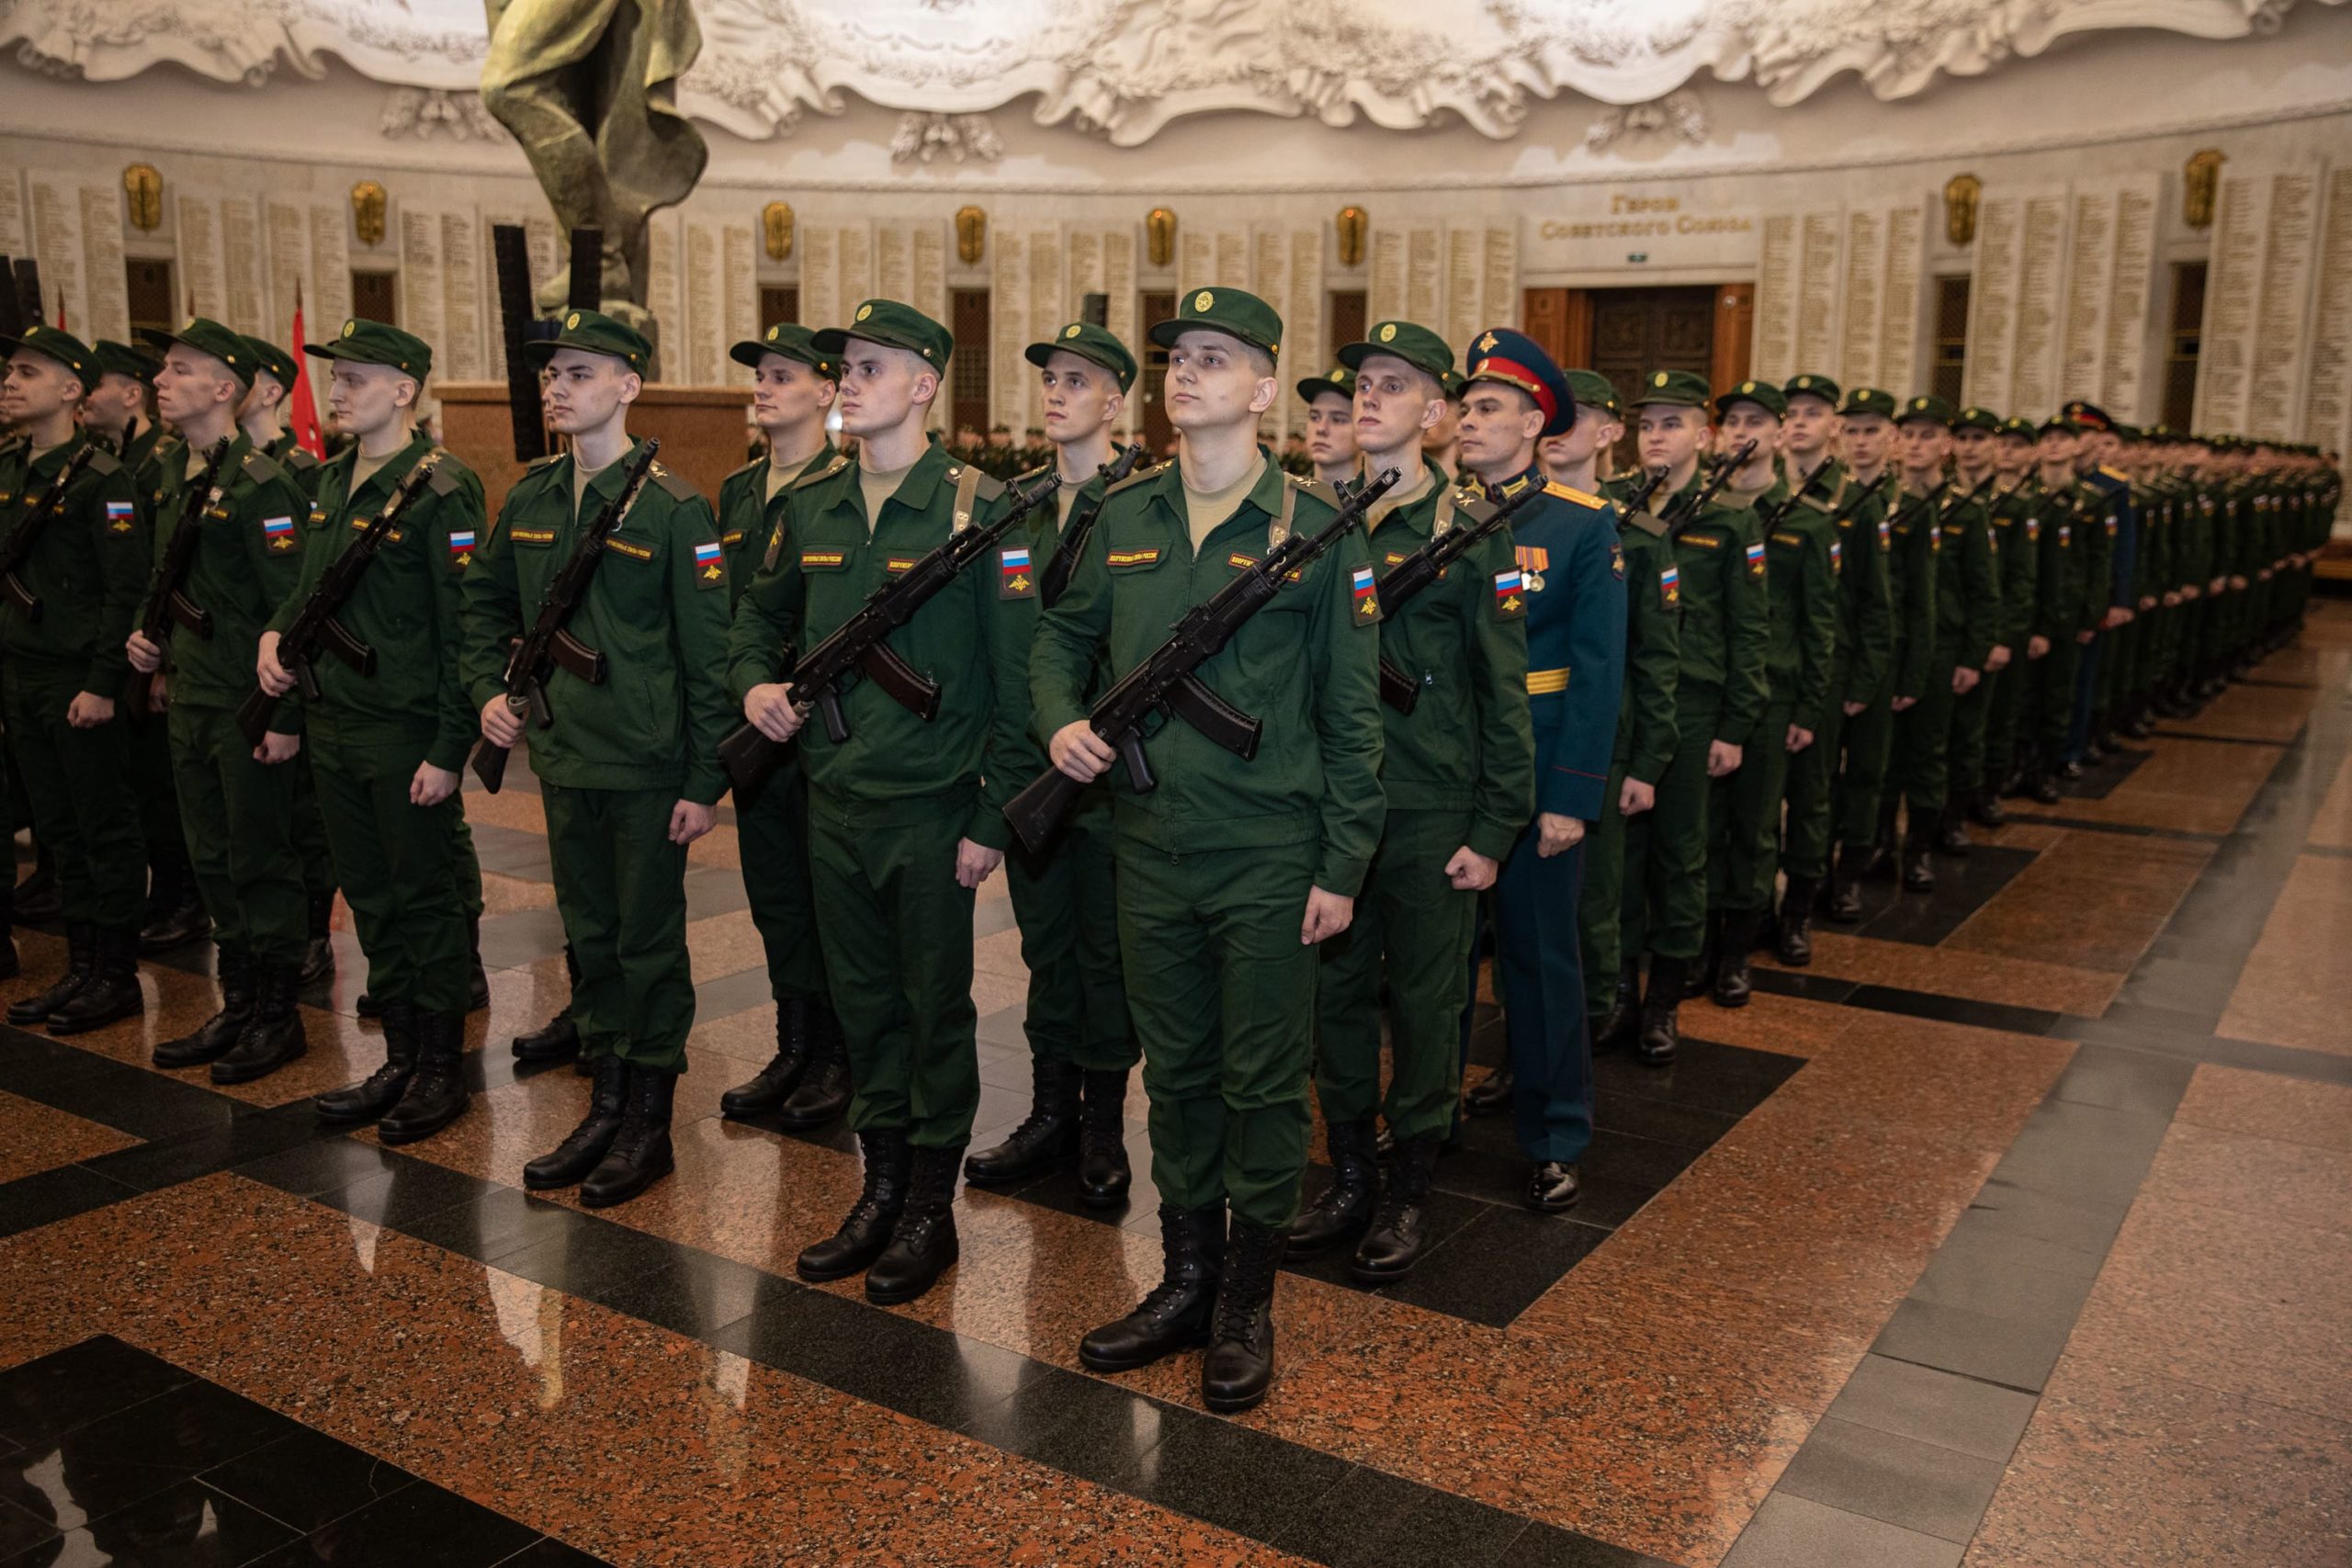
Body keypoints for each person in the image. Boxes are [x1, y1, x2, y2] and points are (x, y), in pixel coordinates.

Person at [1033, 286, 1382, 1412]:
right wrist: (1060, 721)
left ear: (1265, 388)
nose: (1189, 373)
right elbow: (1057, 637)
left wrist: (1342, 862)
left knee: (1263, 1082)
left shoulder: (1319, 528)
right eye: (1179, 358)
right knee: (1175, 1071)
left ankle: (1245, 1299)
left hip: (1271, 852)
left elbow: (1352, 711)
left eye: (1217, 358)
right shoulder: (1125, 515)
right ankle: (1182, 1277)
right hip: (1148, 845)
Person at [729, 299, 1042, 1303]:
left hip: (930, 809)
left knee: (930, 1013)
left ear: (923, 384)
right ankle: (878, 1186)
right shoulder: (809, 507)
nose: (850, 382)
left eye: (871, 367)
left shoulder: (978, 510)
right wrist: (755, 686)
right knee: (864, 1009)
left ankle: (926, 1210)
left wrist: (989, 820)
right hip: (834, 802)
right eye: (845, 368)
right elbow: (753, 621)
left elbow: (1018, 680)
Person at [463, 309, 730, 1207]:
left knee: (646, 944)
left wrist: (703, 782)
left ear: (627, 385)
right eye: (552, 375)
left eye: (579, 373)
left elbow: (710, 660)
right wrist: (487, 697)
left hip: (647, 769)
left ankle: (646, 1122)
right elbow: (481, 611)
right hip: (565, 760)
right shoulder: (532, 499)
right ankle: (606, 1099)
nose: (557, 388)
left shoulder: (674, 509)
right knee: (591, 940)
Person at [1289, 319, 1532, 1272]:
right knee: (1333, 998)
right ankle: (1348, 1174)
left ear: (1434, 413)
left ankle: (1408, 1188)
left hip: (1431, 807)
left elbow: (1502, 691)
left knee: (1431, 1005)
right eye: (1362, 384)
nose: (1369, 398)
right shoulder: (1305, 519)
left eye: (1394, 385)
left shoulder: (1472, 532)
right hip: (1326, 805)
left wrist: (1496, 823)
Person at [258, 318, 482, 1144]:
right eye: (334, 378)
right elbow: (305, 595)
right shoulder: (329, 480)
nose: (338, 391)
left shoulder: (443, 487)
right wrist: (271, 644)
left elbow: (465, 631)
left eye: (355, 377)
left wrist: (449, 748)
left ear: (404, 389)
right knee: (374, 902)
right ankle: (397, 1055)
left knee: (423, 900)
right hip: (334, 723)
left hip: (403, 730)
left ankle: (439, 1067)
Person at [963, 321, 1145, 1203]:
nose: (1058, 393)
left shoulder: (1145, 501)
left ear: (1116, 401)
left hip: (1110, 769)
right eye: (1051, 380)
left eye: (1079, 380)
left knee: (1108, 956)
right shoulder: (1017, 505)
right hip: (1033, 764)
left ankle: (1104, 1125)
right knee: (1046, 949)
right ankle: (1049, 1113)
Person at [125, 319, 312, 1084]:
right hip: (194, 694)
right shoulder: (177, 473)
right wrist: (153, 644)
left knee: (258, 854)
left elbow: (293, 609)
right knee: (210, 855)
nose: (161, 381)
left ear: (224, 389)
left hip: (247, 704)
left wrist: (286, 718)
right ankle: (237, 1001)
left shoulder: (264, 485)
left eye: (179, 369)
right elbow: (168, 577)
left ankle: (277, 1015)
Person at [1459, 330, 1621, 1211]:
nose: (1470, 420)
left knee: (1538, 954)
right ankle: (1425, 1115)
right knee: (1439, 962)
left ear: (1534, 423)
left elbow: (1599, 671)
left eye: (1490, 408)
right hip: (1449, 769)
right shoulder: (1437, 518)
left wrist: (1570, 795)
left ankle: (1555, 1130)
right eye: (1467, 405)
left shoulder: (1580, 524)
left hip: (1537, 763)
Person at [712, 322, 852, 1133]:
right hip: (755, 723)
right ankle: (793, 1044)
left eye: (782, 375)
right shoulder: (738, 490)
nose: (763, 388)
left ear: (826, 391)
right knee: (775, 897)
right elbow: (735, 616)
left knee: (828, 898)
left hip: (821, 726)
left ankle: (836, 1054)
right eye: (759, 375)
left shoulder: (841, 483)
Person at [1612, 369, 1766, 1062]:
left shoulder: (1734, 519)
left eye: (1671, 424)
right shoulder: (1615, 507)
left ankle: (1664, 1000)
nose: (1656, 437)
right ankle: (1616, 990)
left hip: (1695, 708)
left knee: (1680, 855)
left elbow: (1748, 629)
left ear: (1704, 436)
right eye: (1647, 425)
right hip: (1629, 703)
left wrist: (1736, 724)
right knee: (1620, 859)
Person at [0, 324, 148, 1030]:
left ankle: (114, 975)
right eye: (10, 371)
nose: (8, 381)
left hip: (75, 678)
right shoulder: (8, 468)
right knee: (59, 831)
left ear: (70, 391)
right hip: (22, 674)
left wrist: (101, 681)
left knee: (103, 827)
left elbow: (125, 592)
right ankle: (79, 965)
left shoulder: (103, 481)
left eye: (27, 372)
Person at [1705, 380, 1834, 1004]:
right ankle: (1698, 940)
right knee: (1700, 830)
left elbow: (1820, 619)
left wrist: (1809, 705)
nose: (1741, 431)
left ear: (1780, 433)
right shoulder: (1700, 512)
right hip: (1706, 690)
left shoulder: (1807, 518)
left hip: (1771, 694)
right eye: (1732, 420)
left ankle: (1738, 948)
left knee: (1755, 829)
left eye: (1756, 419)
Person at [1770, 374, 1894, 958]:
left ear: (1832, 427)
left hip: (1829, 664)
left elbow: (1874, 600)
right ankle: (1756, 902)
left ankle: (1801, 906)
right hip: (1771, 664)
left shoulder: (1854, 502)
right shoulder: (1761, 494)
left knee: (1812, 791)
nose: (1799, 422)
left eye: (1811, 413)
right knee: (1763, 796)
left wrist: (1864, 679)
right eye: (1790, 412)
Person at [238, 334, 339, 984]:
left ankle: (310, 928)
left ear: (271, 388)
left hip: (300, 676)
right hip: (241, 665)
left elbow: (302, 590)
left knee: (302, 813)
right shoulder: (212, 472)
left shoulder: (300, 472)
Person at [1931, 404, 2009, 855]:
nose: (1969, 448)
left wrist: (1984, 645)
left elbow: (1990, 588)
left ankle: (1955, 816)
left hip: (1961, 640)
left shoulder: (1980, 507)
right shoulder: (1929, 499)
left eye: (1979, 439)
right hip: (1930, 639)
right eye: (1962, 439)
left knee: (1964, 736)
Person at [1975, 414, 2044, 814]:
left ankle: (1989, 792)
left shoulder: (2021, 508)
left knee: (2000, 715)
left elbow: (2023, 578)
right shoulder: (1965, 503)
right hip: (1967, 628)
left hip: (2004, 627)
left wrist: (2006, 634)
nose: (2005, 452)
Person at [1296, 366, 1360, 489]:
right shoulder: (1287, 499)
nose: (1321, 429)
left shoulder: (1382, 505)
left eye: (1338, 420)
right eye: (1315, 417)